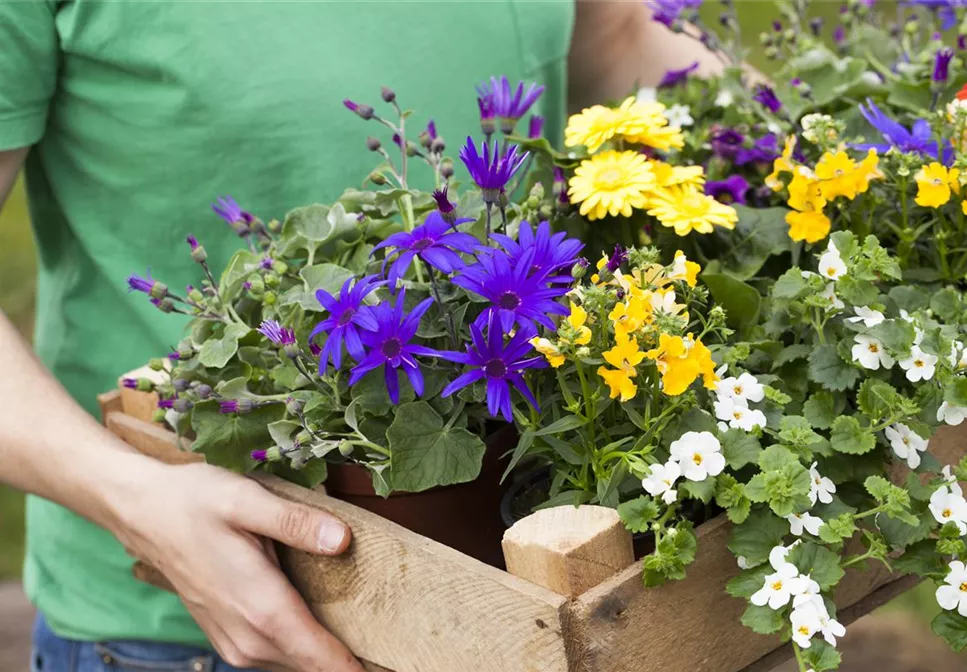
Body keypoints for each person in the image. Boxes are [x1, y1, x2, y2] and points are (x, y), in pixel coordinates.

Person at [0, 2, 720, 670]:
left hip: (543, 602)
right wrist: (133, 500)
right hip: (213, 624)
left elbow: (619, 35)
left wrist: (801, 157)